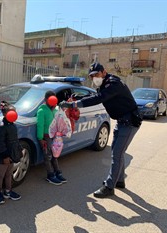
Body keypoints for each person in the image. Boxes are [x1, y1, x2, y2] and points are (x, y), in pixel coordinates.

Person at [60, 62, 142, 198]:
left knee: (117, 154)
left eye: (96, 75)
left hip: (129, 122)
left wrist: (74, 104)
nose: (94, 78)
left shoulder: (113, 83)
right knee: (116, 152)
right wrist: (76, 99)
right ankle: (119, 180)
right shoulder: (104, 85)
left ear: (104, 72)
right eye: (92, 76)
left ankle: (109, 187)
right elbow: (92, 97)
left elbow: (98, 98)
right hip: (122, 121)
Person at [37, 90, 67, 185]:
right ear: (46, 99)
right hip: (46, 137)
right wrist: (40, 138)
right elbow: (40, 125)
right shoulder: (41, 111)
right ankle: (50, 175)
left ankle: (58, 172)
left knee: (55, 155)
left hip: (55, 137)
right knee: (48, 156)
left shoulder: (56, 109)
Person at [0, 101, 21, 204]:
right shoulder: (2, 126)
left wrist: (18, 150)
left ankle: (8, 191)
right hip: (4, 155)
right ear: (5, 114)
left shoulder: (13, 125)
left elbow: (15, 139)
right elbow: (0, 143)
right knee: (1, 174)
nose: (14, 114)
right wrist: (5, 156)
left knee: (9, 173)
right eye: (12, 112)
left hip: (12, 153)